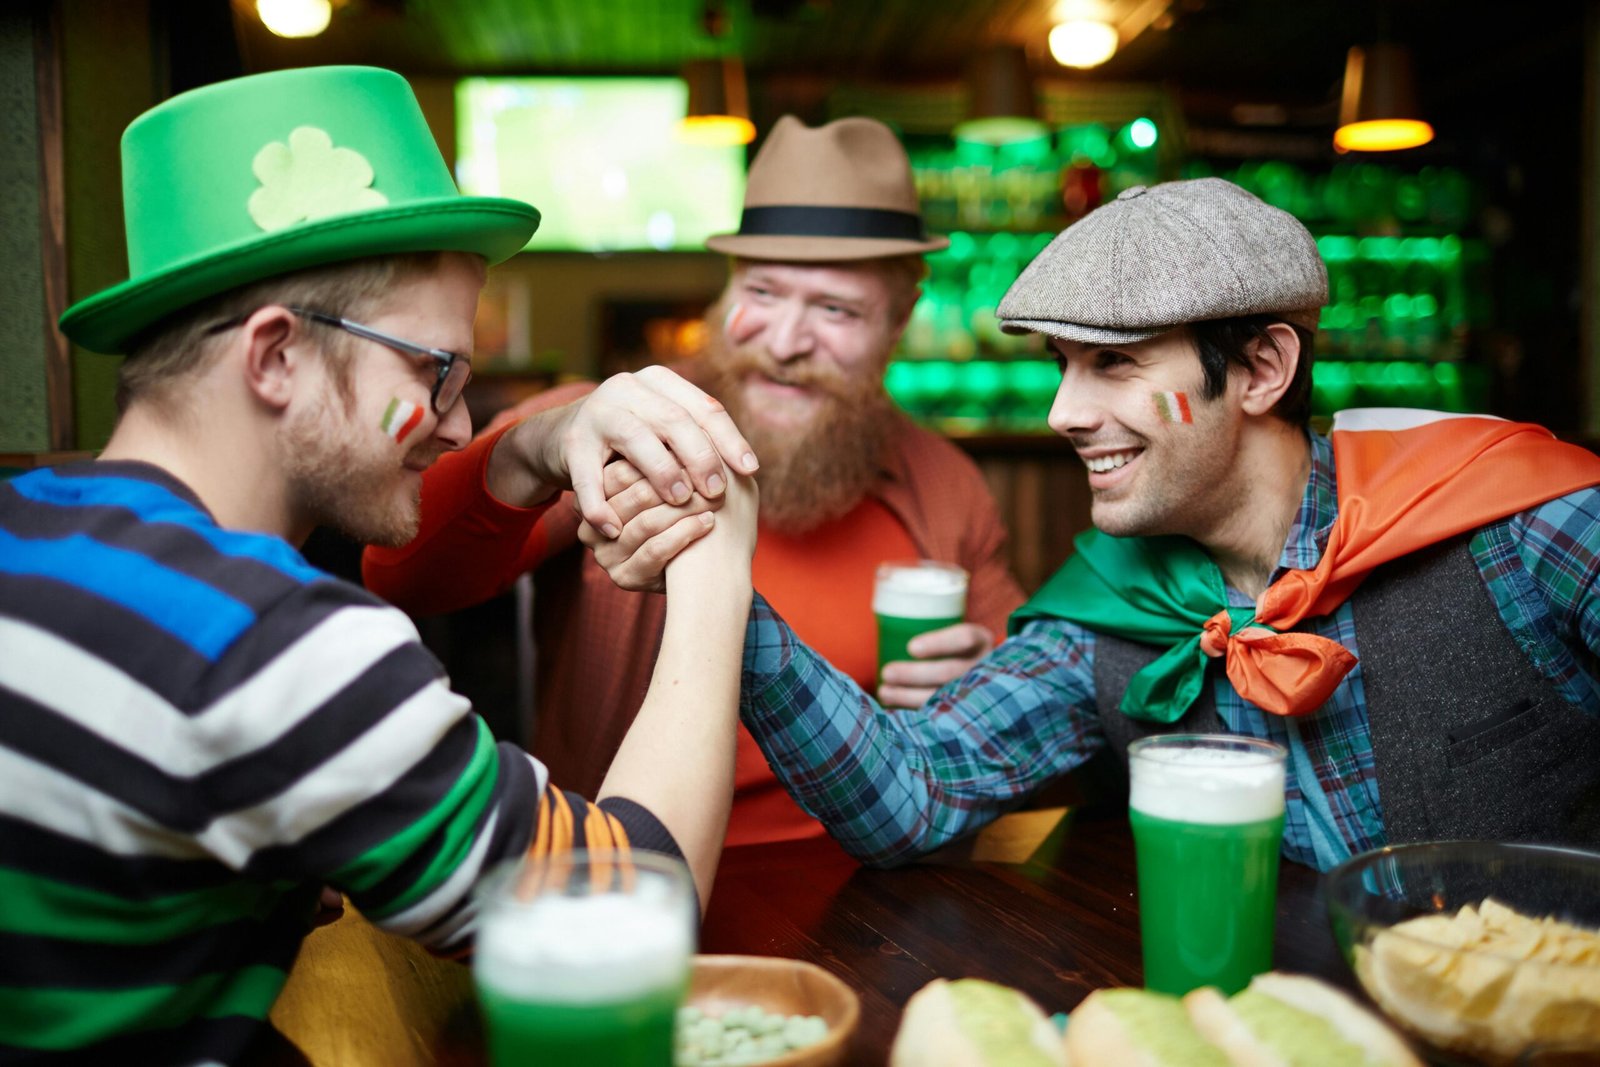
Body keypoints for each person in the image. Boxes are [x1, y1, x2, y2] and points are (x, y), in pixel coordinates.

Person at [0, 66, 759, 1063]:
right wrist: (718, 558)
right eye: (431, 369)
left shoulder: (29, 527)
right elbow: (631, 907)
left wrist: (545, 439)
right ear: (274, 355)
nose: (454, 423)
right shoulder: (274, 646)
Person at [593, 177, 1600, 871]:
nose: (1062, 412)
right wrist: (719, 571)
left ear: (1259, 370)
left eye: (1112, 363)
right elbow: (908, 796)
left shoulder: (1522, 526)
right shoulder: (1107, 615)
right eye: (1060, 366)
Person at [363, 115, 1025, 847]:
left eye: (835, 310)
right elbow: (399, 575)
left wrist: (979, 689)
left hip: (870, 887)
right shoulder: (612, 423)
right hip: (632, 882)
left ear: (898, 323)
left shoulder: (945, 483)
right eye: (764, 292)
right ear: (727, 289)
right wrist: (533, 448)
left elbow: (1027, 701)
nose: (784, 342)